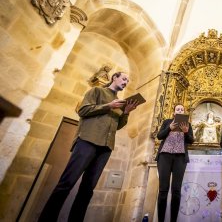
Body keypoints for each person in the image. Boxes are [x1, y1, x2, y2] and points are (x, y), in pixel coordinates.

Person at [38, 72, 140, 221]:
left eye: (128, 81)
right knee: (66, 183)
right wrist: (108, 106)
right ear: (114, 77)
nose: (126, 82)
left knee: (87, 190)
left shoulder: (120, 102)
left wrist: (126, 113)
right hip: (88, 140)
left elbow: (117, 126)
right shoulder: (97, 91)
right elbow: (83, 111)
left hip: (105, 147)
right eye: (124, 79)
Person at [155, 104, 194, 222]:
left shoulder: (188, 125)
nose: (180, 111)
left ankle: (173, 220)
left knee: (176, 190)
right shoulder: (167, 122)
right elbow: (159, 136)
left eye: (182, 109)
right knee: (163, 190)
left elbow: (191, 140)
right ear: (174, 113)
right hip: (165, 156)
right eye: (178, 109)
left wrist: (186, 132)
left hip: (180, 158)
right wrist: (169, 128)